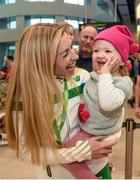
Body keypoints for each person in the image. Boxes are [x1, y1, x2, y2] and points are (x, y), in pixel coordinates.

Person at [5, 23, 116, 179]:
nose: (75, 56)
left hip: (100, 169)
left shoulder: (83, 77)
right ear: (42, 61)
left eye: (72, 47)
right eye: (65, 54)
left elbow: (107, 117)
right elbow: (26, 152)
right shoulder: (23, 98)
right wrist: (77, 152)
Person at [64, 25, 138, 179]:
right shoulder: (94, 75)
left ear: (121, 59)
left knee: (68, 153)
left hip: (98, 132)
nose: (99, 55)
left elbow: (107, 103)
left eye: (108, 51)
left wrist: (105, 74)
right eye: (96, 50)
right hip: (89, 127)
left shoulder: (122, 82)